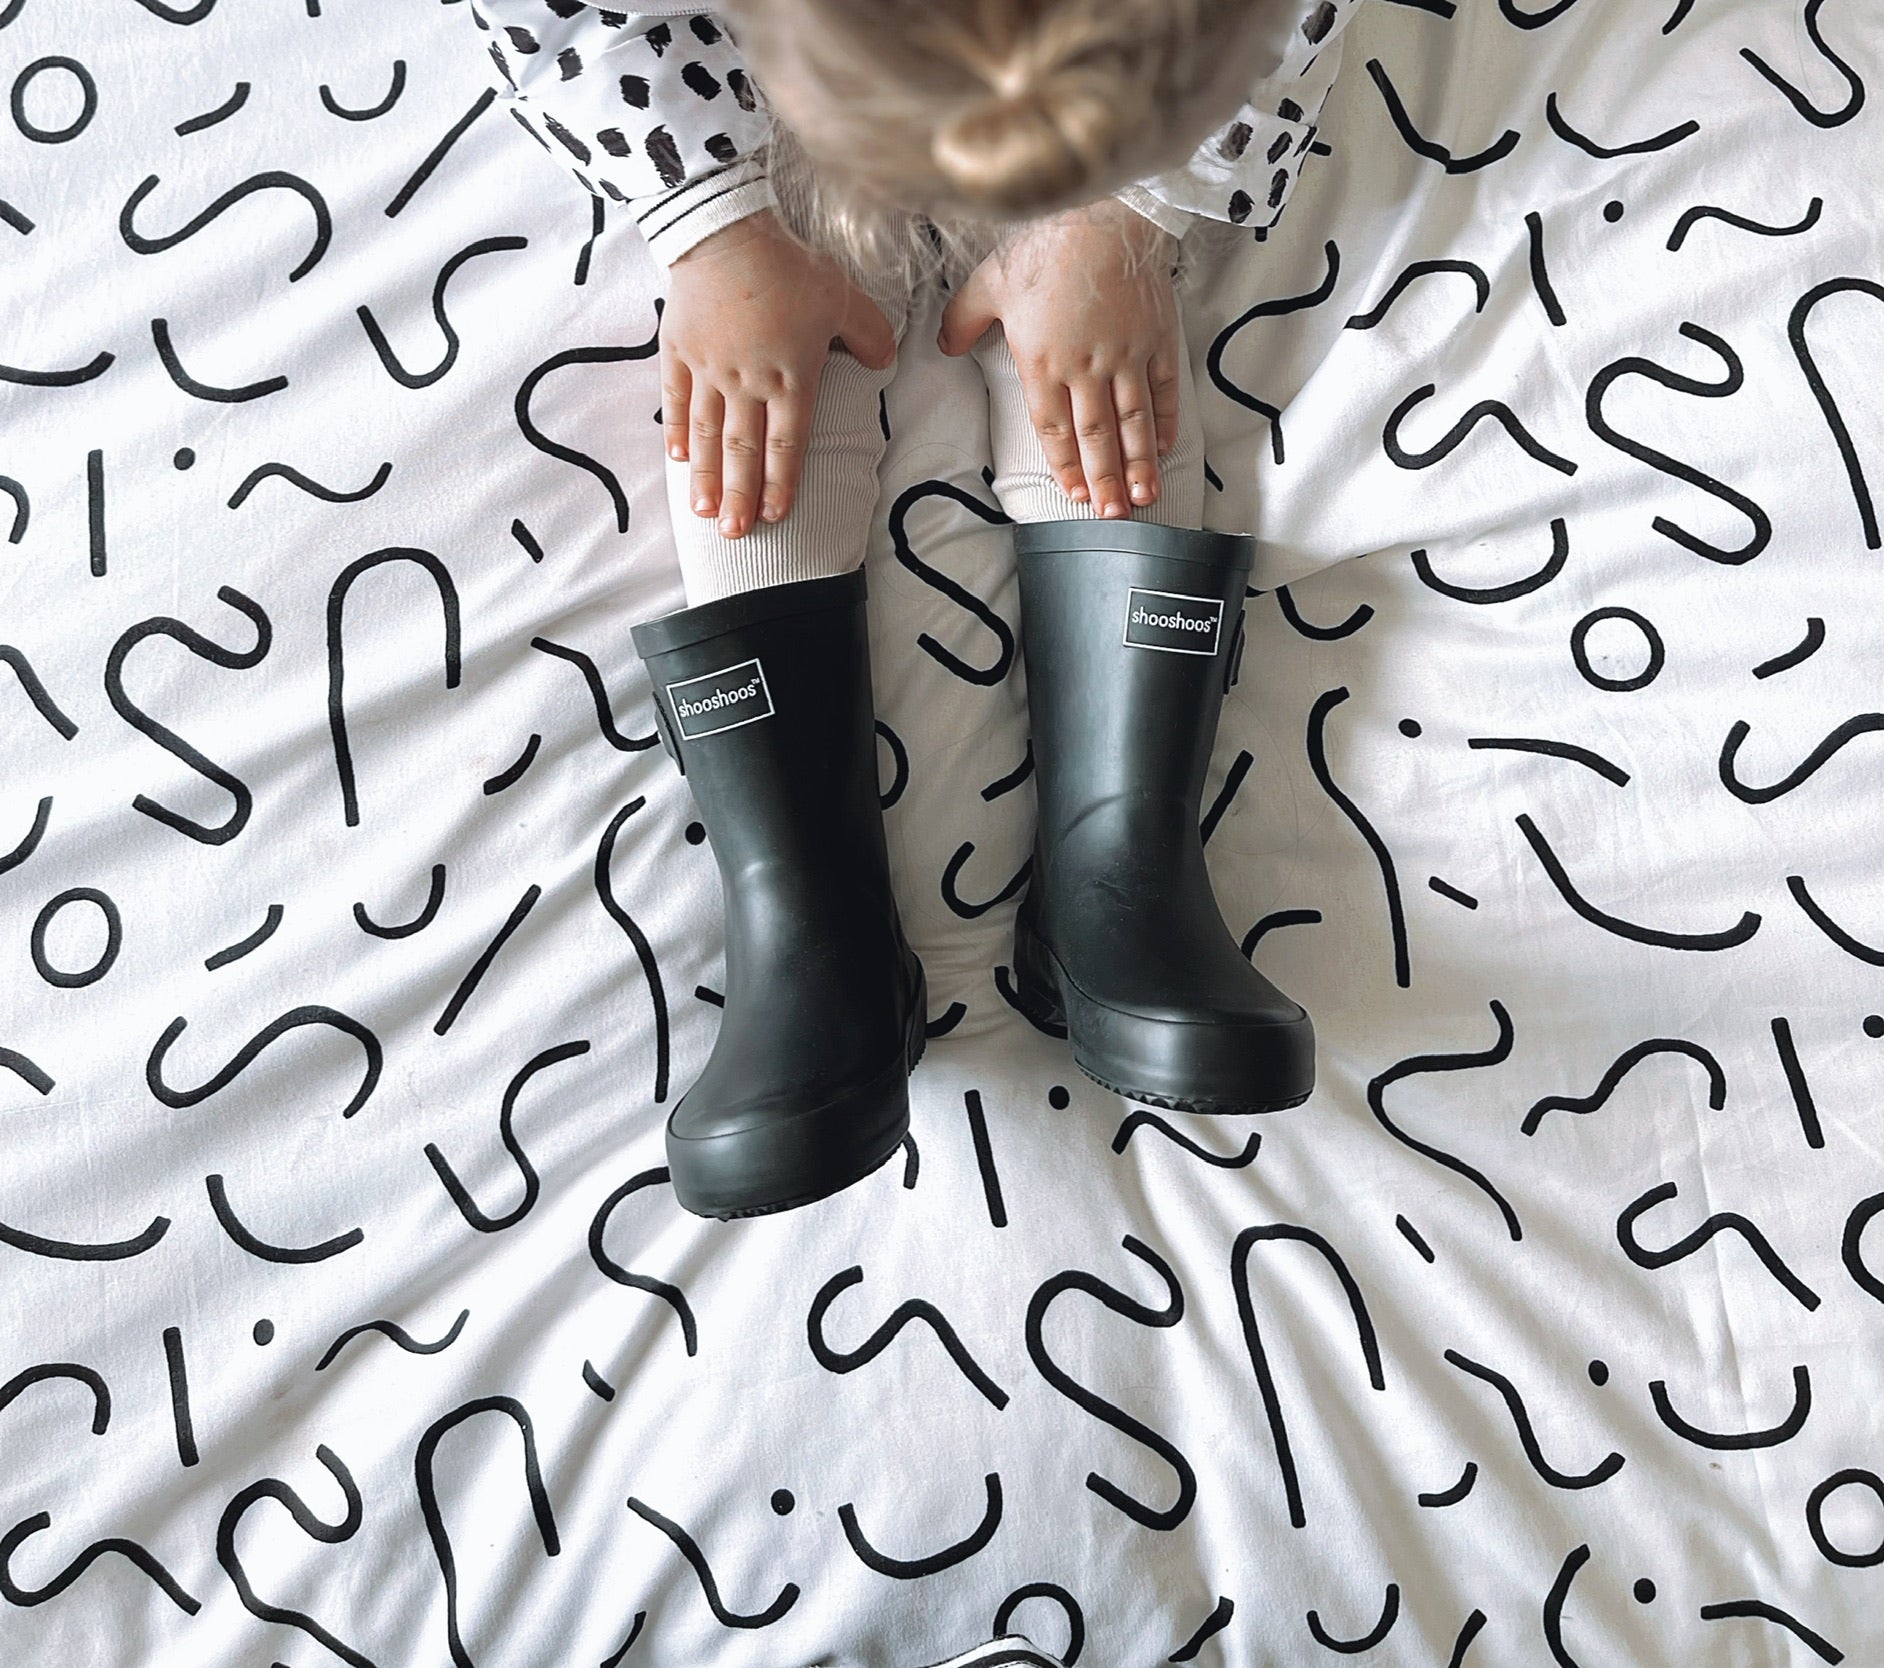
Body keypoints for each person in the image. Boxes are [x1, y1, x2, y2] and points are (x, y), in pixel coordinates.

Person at [465, 0, 1368, 1218]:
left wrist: (1119, 222)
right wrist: (714, 228)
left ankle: (1119, 869)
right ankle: (809, 927)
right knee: (756, 396)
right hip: (742, 77)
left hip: (1101, 55)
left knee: (1096, 373)